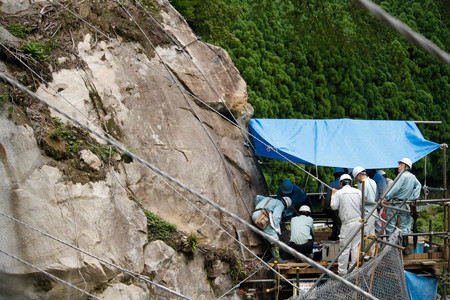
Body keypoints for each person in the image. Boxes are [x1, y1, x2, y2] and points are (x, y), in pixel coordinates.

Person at [384, 158, 421, 252]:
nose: (399, 167)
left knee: (390, 225)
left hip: (396, 204)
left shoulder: (402, 176)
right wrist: (414, 197)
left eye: (401, 165)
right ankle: (405, 248)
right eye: (399, 164)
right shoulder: (413, 177)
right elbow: (419, 186)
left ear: (407, 167)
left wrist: (385, 198)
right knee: (405, 227)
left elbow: (394, 189)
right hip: (406, 204)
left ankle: (390, 249)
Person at [331, 174, 362, 276]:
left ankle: (342, 273)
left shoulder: (339, 193)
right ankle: (354, 272)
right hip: (358, 222)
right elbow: (362, 205)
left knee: (345, 248)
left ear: (341, 183)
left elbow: (334, 207)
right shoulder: (358, 192)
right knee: (355, 248)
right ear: (350, 182)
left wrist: (333, 194)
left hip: (347, 224)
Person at [252, 195, 292, 262]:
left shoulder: (269, 199)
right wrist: (277, 229)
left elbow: (257, 197)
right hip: (261, 218)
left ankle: (274, 258)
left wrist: (257, 208)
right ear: (285, 206)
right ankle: (277, 258)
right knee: (275, 238)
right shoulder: (280, 205)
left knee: (271, 237)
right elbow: (276, 217)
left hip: (255, 215)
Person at [352, 166, 379, 236]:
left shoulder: (362, 183)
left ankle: (366, 247)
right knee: (371, 232)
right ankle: (372, 247)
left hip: (366, 211)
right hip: (373, 210)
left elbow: (363, 198)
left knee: (365, 233)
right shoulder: (373, 181)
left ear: (358, 176)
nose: (357, 181)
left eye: (356, 179)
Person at [325, 167, 345, 240]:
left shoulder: (332, 184)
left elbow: (327, 200)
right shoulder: (350, 186)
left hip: (336, 209)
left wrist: (325, 207)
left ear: (335, 175)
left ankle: (337, 237)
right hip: (347, 209)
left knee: (336, 222)